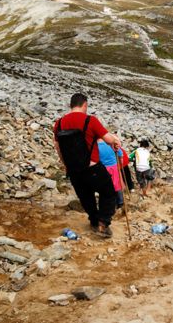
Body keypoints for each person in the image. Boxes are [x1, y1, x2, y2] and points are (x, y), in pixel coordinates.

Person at [53, 93, 120, 238]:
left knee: (86, 197)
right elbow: (108, 139)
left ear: (70, 105)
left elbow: (58, 148)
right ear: (85, 105)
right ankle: (103, 224)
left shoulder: (59, 123)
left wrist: (66, 165)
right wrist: (116, 141)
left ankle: (94, 222)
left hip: (73, 169)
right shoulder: (90, 120)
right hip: (92, 167)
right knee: (108, 192)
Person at [97, 140, 124, 209]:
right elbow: (120, 154)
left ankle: (111, 203)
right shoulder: (111, 144)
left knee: (107, 186)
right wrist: (121, 164)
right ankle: (120, 202)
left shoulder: (95, 146)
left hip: (103, 168)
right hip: (114, 167)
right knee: (117, 184)